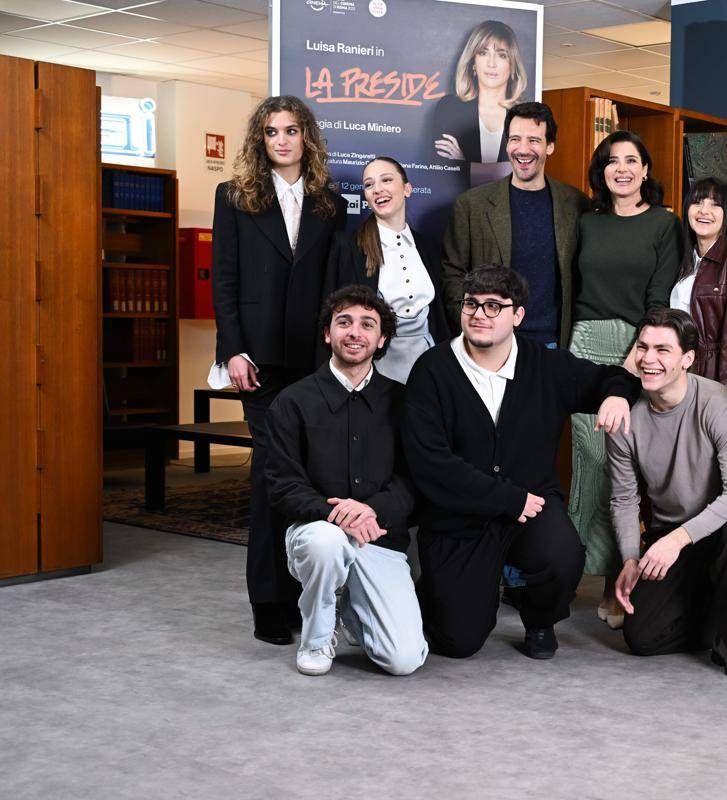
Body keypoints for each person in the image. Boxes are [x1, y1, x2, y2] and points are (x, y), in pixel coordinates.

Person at [403, 265, 639, 660]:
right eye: (472, 304)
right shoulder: (432, 370)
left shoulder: (545, 365)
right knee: (458, 641)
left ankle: (540, 618)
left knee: (563, 555)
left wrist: (616, 395)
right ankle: (443, 592)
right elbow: (431, 464)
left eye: (494, 306)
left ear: (518, 315)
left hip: (533, 507)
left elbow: (612, 378)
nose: (480, 314)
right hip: (460, 518)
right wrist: (507, 499)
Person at [211, 95, 347, 646]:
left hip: (313, 362)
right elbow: (225, 280)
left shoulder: (330, 204)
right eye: (272, 132)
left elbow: (335, 286)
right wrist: (233, 351)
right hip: (259, 363)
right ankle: (267, 602)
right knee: (271, 475)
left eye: (292, 130)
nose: (282, 140)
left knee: (310, 476)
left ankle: (300, 596)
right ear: (260, 139)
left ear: (306, 137)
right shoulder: (234, 197)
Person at [265, 286, 427, 677]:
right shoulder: (292, 401)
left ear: (382, 339)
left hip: (378, 538)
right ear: (328, 333)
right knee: (327, 542)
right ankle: (317, 638)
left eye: (367, 324)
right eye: (344, 322)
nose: (355, 332)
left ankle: (352, 609)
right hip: (315, 534)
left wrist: (371, 509)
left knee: (403, 660)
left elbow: (414, 480)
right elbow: (283, 484)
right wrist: (337, 515)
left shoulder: (404, 402)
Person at [608, 309, 727, 680]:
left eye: (662, 350)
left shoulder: (717, 402)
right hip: (669, 534)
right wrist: (631, 558)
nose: (648, 359)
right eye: (643, 347)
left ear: (687, 358)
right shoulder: (624, 413)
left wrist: (679, 539)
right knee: (641, 637)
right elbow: (624, 499)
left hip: (722, 528)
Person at [569, 130, 684, 629]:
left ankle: (619, 577)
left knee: (624, 467)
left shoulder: (664, 223)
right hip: (584, 345)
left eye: (631, 160)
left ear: (645, 170)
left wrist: (638, 359)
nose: (622, 169)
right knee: (590, 464)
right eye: (612, 161)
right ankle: (572, 571)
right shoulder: (586, 223)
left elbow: (660, 297)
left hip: (638, 349)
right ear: (602, 171)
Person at [441, 102, 590, 349]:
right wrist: (473, 326)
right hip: (491, 345)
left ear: (550, 146)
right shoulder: (471, 205)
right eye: (515, 139)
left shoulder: (576, 204)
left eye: (533, 140)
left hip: (553, 346)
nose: (522, 149)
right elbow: (452, 274)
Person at [327, 157, 449, 384]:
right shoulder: (347, 247)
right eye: (369, 184)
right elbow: (331, 317)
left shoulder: (428, 247)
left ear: (407, 189)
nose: (377, 189)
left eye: (386, 180)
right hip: (374, 371)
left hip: (431, 367)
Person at [668, 178, 727, 408]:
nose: (704, 211)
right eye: (697, 202)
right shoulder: (686, 260)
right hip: (678, 378)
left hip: (710, 386)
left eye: (715, 205)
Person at [432, 20, 527, 166]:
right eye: (483, 53)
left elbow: (524, 173)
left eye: (501, 55)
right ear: (473, 63)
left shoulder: (525, 118)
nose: (491, 63)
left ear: (512, 66)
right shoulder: (450, 109)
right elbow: (440, 168)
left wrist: (465, 163)